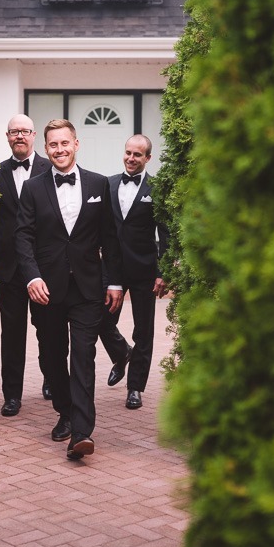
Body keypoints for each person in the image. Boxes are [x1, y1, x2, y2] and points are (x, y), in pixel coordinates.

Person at [15, 119, 124, 461]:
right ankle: (64, 410)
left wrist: (114, 281)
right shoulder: (32, 188)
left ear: (77, 143)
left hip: (88, 288)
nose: (59, 150)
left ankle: (81, 433)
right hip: (46, 289)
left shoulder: (99, 184)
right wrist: (32, 277)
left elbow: (110, 237)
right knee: (51, 356)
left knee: (83, 357)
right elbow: (23, 237)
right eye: (53, 145)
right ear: (45, 149)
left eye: (65, 143)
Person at [98, 134, 169, 410]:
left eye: (137, 155)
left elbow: (165, 234)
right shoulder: (109, 183)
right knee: (99, 319)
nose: (131, 158)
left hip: (144, 270)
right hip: (112, 269)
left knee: (144, 330)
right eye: (128, 152)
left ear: (147, 158)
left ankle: (135, 387)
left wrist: (162, 271)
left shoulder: (157, 188)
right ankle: (121, 353)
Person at [0, 114, 52, 417]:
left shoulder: (49, 169)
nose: (19, 136)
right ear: (7, 136)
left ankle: (51, 380)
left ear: (34, 135)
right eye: (14, 132)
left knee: (48, 329)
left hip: (42, 268)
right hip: (9, 268)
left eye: (24, 131)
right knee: (11, 334)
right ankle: (11, 395)